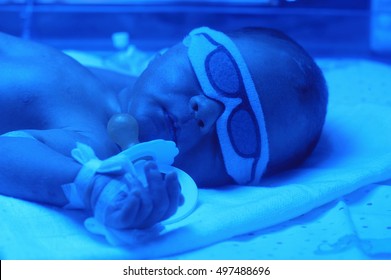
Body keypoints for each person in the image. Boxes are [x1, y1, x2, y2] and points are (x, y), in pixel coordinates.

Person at [0, 26, 328, 230]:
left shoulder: (97, 144)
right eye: (220, 72)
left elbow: (7, 154)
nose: (208, 112)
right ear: (171, 51)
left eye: (240, 137)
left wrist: (93, 186)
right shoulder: (126, 88)